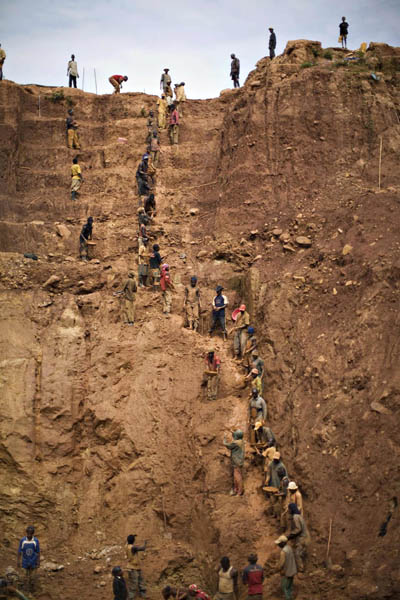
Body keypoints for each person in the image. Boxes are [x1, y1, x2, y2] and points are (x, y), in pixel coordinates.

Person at [287, 504, 310, 572]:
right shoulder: (299, 516)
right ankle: (304, 568)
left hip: (302, 538)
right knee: (301, 553)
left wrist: (290, 535)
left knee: (297, 554)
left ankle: (301, 570)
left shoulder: (295, 517)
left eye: (289, 509)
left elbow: (298, 529)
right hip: (306, 537)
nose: (288, 510)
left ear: (292, 509)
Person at [17, 526, 40, 592]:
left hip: (33, 561)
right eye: (28, 533)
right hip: (25, 561)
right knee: (24, 577)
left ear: (33, 534)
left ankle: (31, 591)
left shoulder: (35, 541)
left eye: (31, 534)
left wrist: (38, 562)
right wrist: (18, 561)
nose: (29, 535)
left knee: (32, 577)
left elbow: (38, 552)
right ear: (26, 533)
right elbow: (19, 551)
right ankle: (24, 590)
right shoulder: (23, 540)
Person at [223, 429, 245, 496]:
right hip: (239, 461)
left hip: (237, 462)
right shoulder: (241, 441)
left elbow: (228, 445)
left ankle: (239, 491)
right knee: (236, 476)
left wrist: (224, 440)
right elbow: (236, 436)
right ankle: (236, 490)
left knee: (237, 477)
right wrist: (233, 432)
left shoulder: (236, 443)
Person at [274, 536, 297, 600]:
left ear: (283, 543)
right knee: (289, 587)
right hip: (292, 571)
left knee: (284, 587)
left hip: (287, 573)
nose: (278, 544)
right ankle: (290, 597)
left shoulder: (283, 551)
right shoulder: (289, 548)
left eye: (279, 543)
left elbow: (281, 563)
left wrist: (276, 569)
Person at [125, 535, 147, 599]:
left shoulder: (126, 546)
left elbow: (127, 541)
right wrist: (145, 543)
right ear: (133, 541)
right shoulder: (133, 548)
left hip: (135, 566)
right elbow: (143, 548)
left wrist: (132, 536)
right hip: (133, 567)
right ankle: (130, 597)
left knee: (140, 580)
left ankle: (143, 594)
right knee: (134, 583)